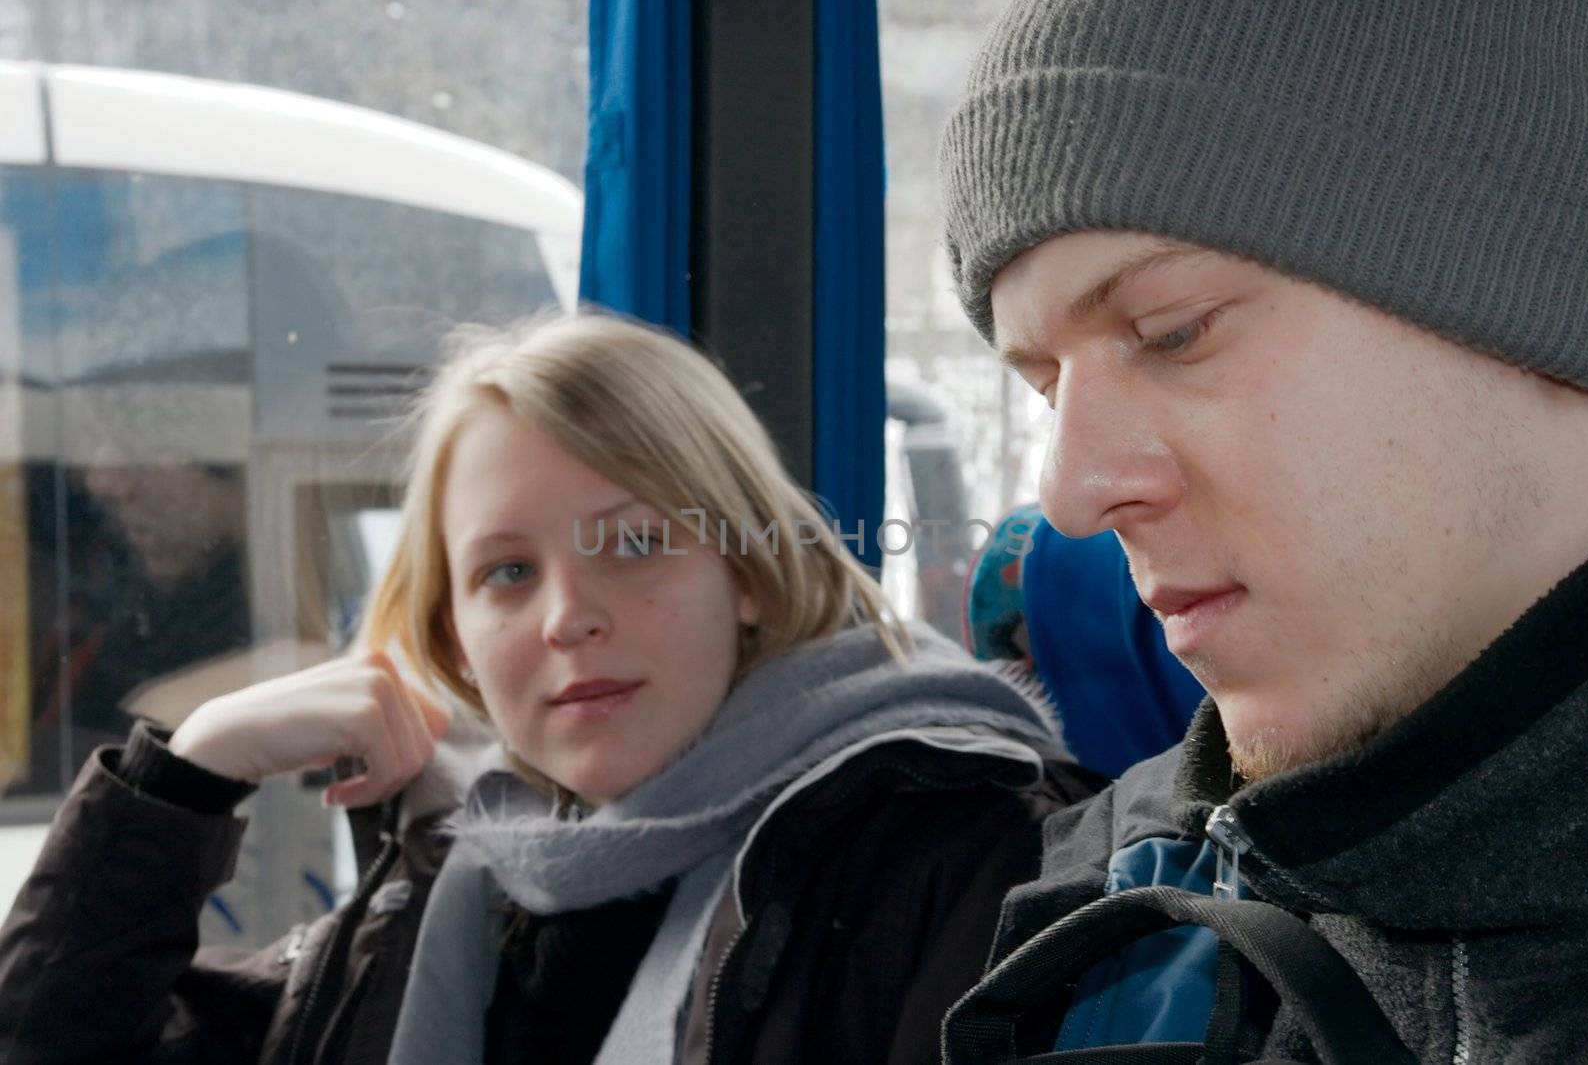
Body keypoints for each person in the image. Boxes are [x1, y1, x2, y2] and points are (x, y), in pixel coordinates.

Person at [0, 313, 1101, 1065]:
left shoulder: (960, 847)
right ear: (455, 638)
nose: (567, 614)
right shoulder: (451, 883)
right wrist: (184, 772)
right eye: (507, 572)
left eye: (632, 542)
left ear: (751, 576)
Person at [935, 0, 1588, 1061]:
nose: (1069, 495)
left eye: (1174, 332)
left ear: (1543, 298)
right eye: (1045, 384)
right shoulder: (1116, 926)